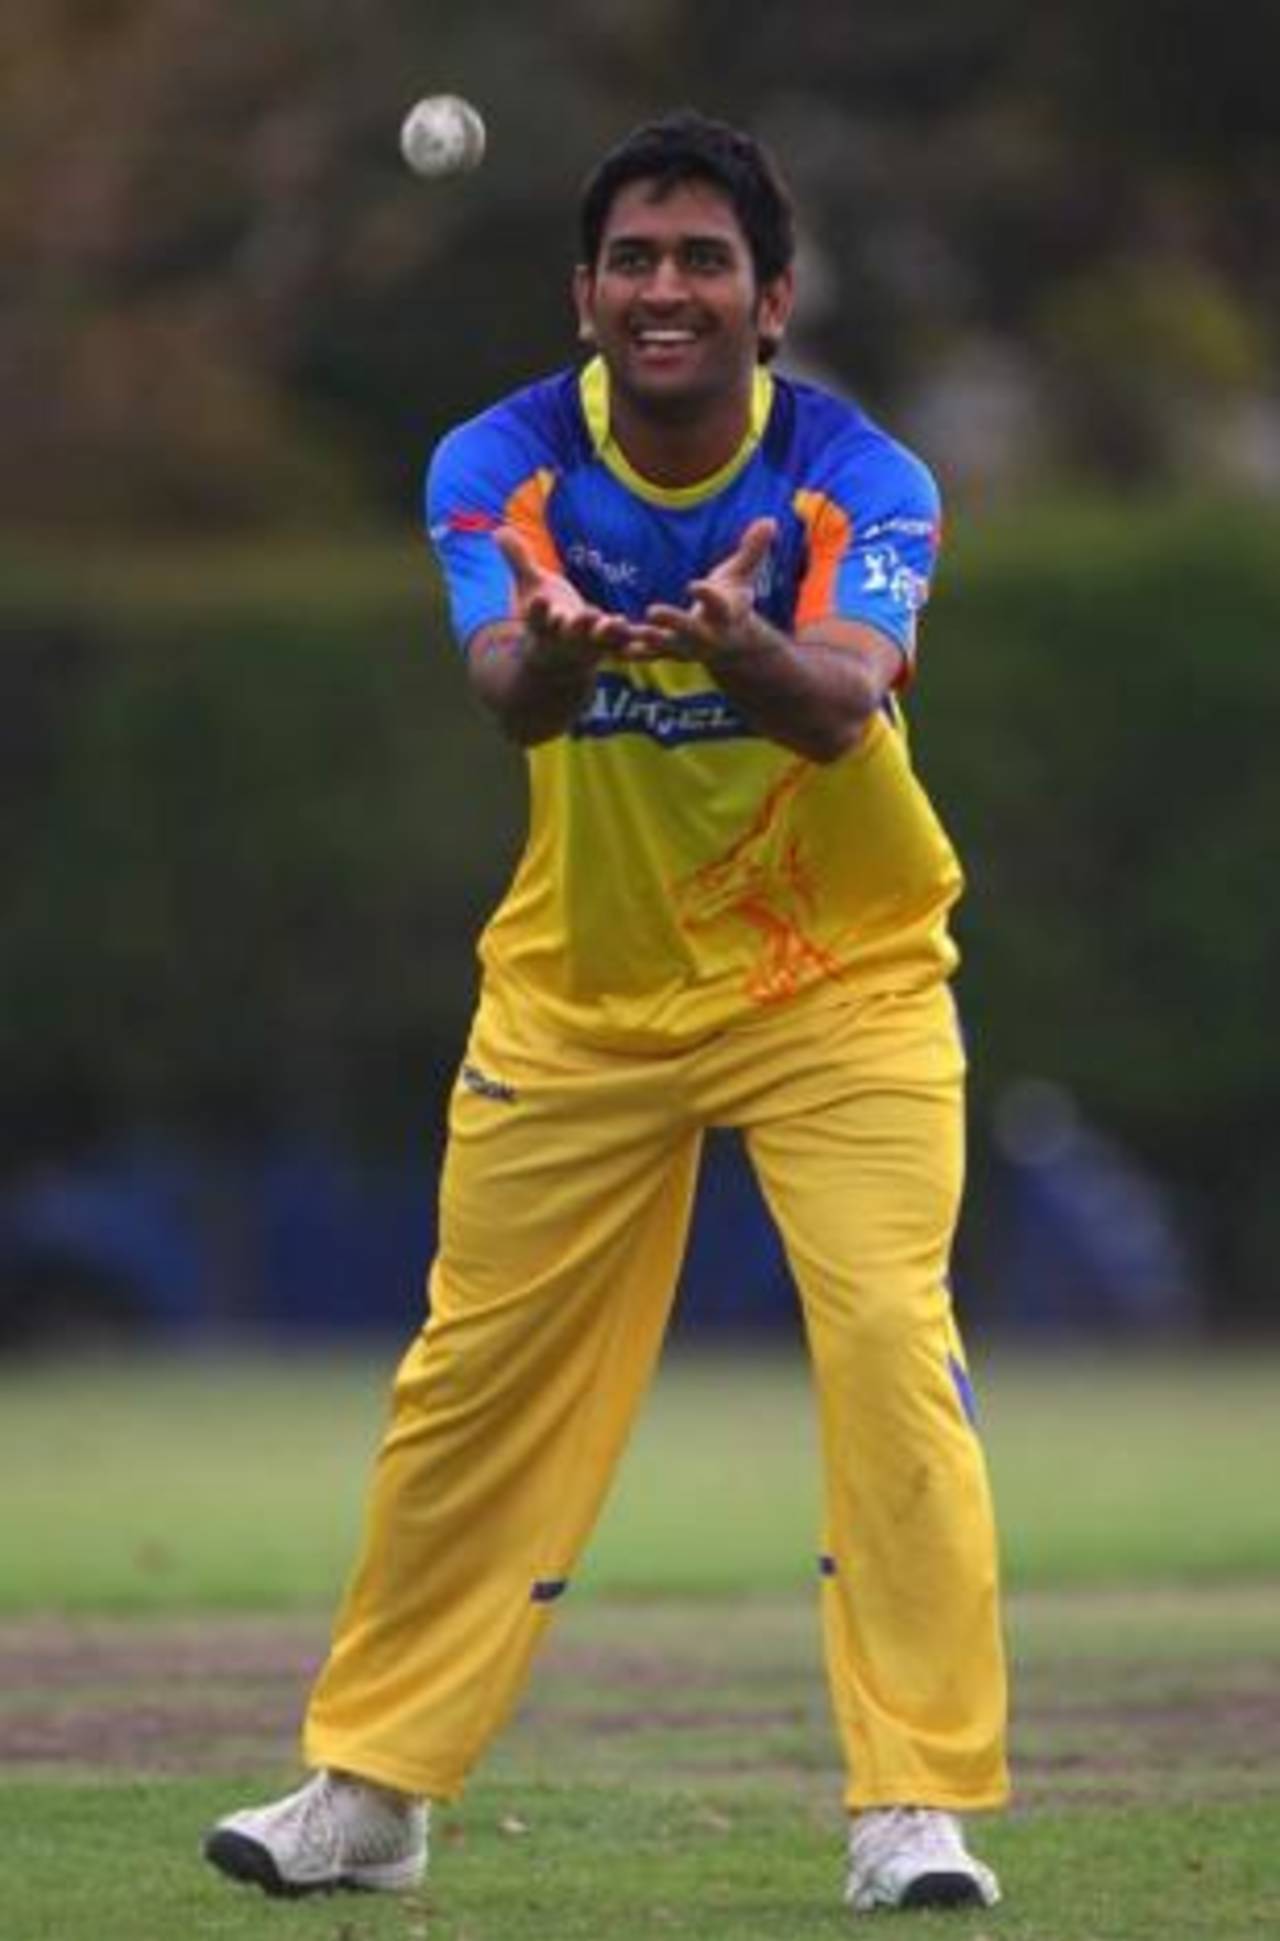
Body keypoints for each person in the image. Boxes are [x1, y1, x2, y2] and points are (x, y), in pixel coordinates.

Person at [204, 109, 1009, 1916]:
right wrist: (559, 656)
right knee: (466, 1384)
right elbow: (505, 684)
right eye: (634, 260)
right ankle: (374, 1793)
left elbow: (839, 705)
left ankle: (912, 1806)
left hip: (845, 983)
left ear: (771, 302)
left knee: (891, 1350)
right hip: (582, 998)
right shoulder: (494, 460)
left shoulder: (863, 477)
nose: (667, 289)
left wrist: (739, 642)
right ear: (585, 294)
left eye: (703, 261)